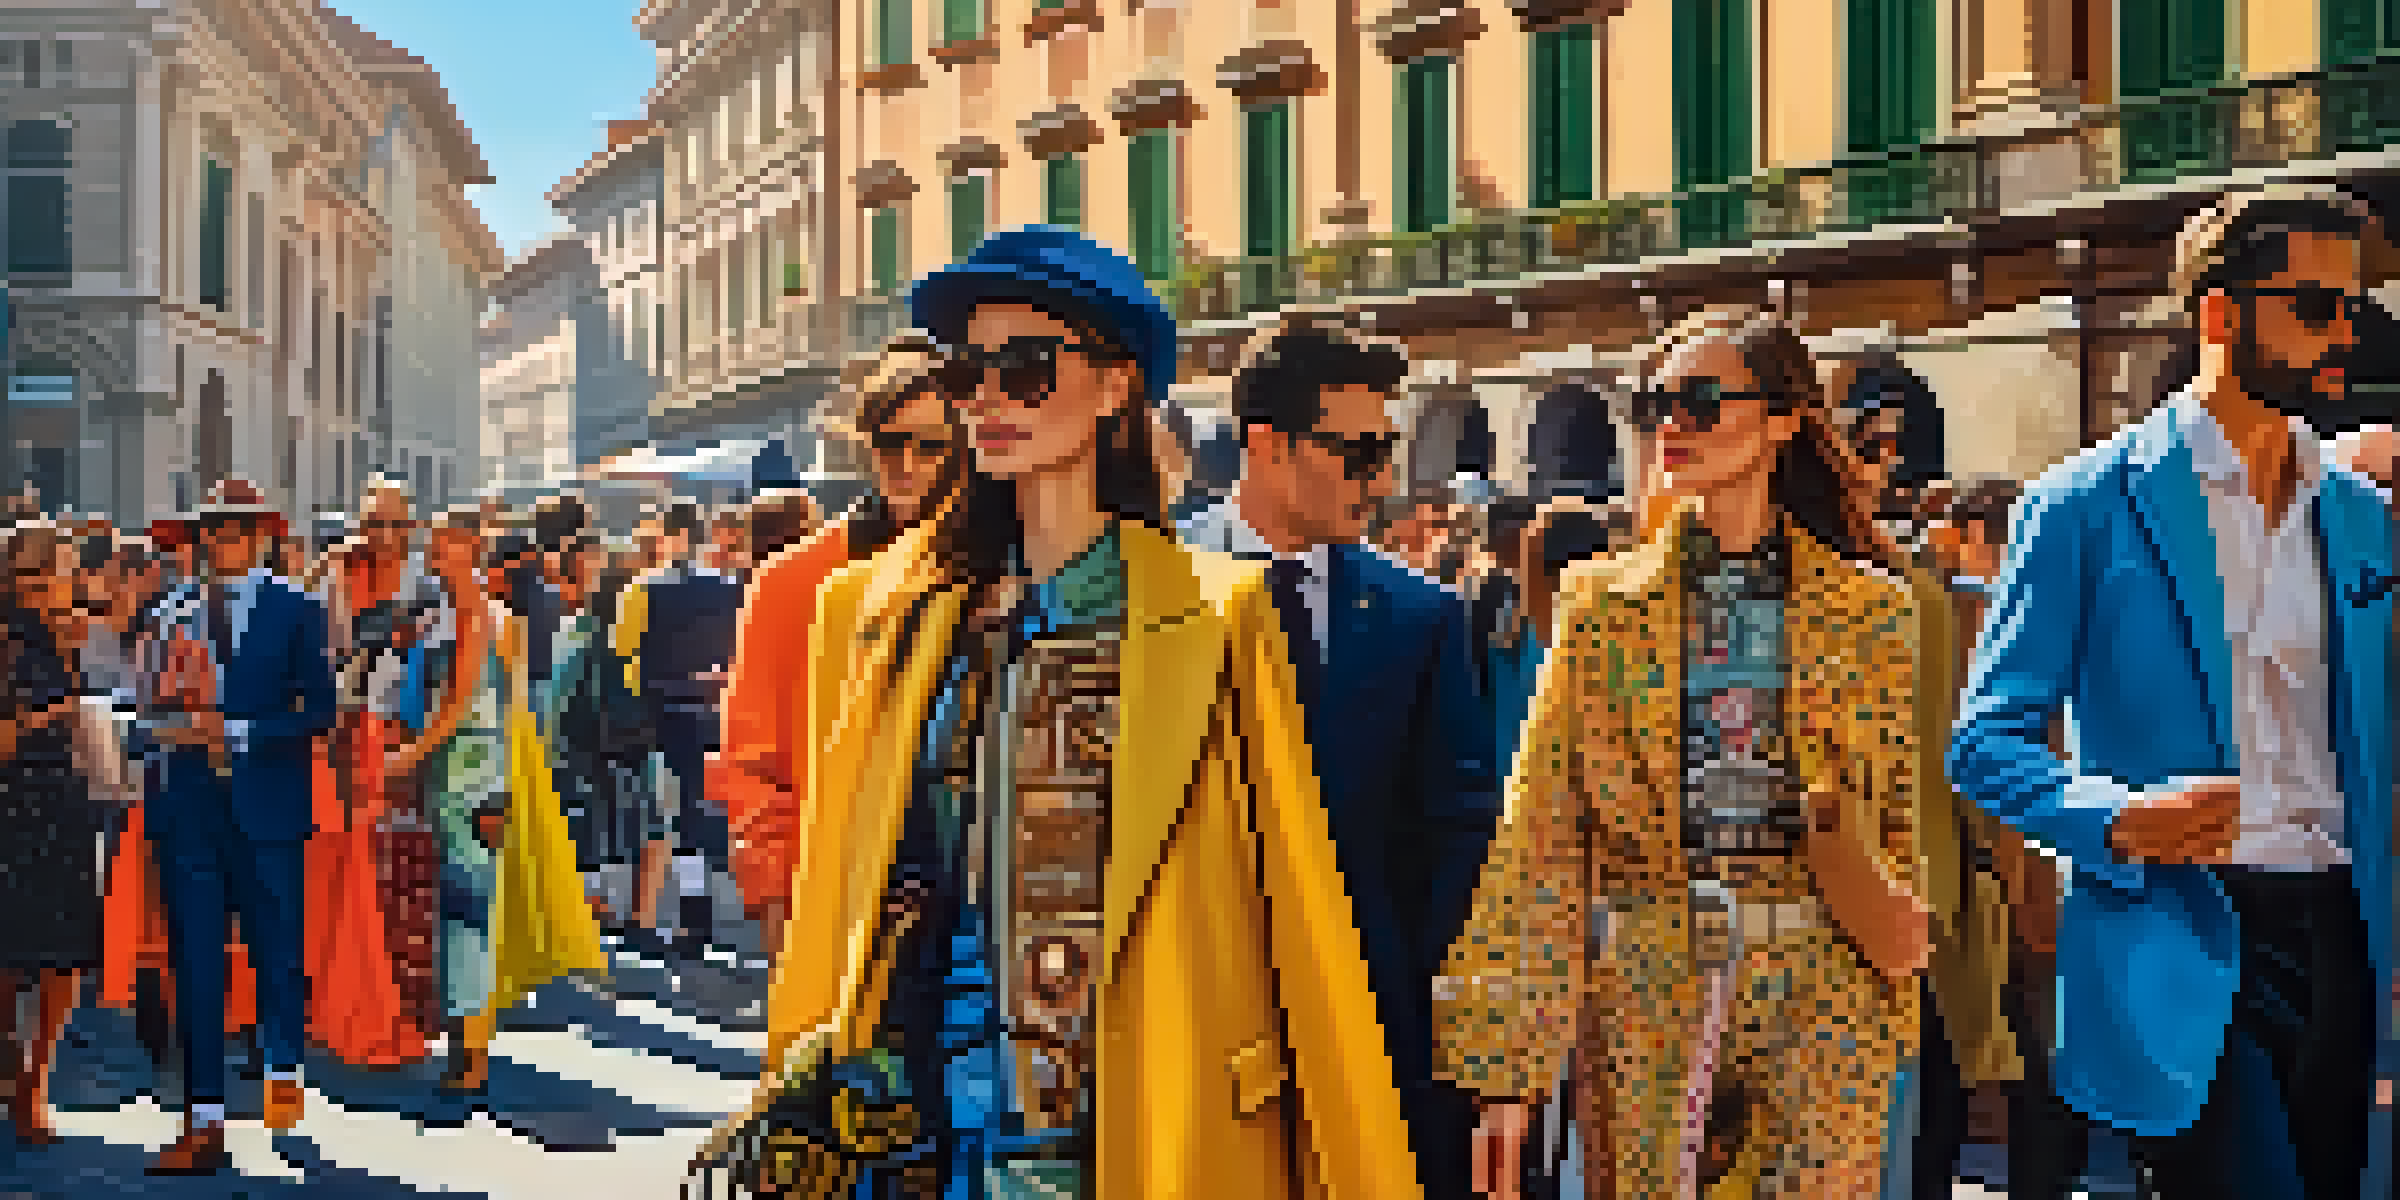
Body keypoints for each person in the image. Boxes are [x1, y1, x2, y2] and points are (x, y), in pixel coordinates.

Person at [752, 227, 1420, 1197]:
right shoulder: (877, 613)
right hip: (914, 1131)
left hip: (1131, 1127)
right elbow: (835, 893)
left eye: (1026, 369)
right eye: (967, 372)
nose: (988, 398)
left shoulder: (1220, 616)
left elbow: (1300, 918)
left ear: (1115, 387)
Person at [1951, 184, 2394, 1200]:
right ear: (2220, 315)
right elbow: (1985, 740)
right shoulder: (2081, 505)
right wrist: (2117, 819)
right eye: (2316, 307)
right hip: (2179, 932)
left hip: (2340, 933)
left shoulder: (2361, 517)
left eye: (2354, 308)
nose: (2345, 335)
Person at [1440, 303, 1933, 1199]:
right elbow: (1543, 835)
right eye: (1657, 404)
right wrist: (1506, 1068)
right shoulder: (1599, 606)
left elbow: (1898, 826)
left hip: (1824, 1001)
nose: (1673, 423)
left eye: (1701, 401)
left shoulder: (1874, 612)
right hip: (1649, 998)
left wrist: (1889, 991)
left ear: (1782, 420)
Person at [1180, 317, 1499, 1200]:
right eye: (1356, 453)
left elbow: (1458, 841)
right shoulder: (1155, 588)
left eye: (1384, 451)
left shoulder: (1422, 616)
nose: (1381, 480)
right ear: (1266, 444)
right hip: (1196, 1026)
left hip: (1372, 1039)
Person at [721, 332, 962, 964]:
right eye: (889, 442)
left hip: (974, 900)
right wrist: (776, 904)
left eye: (930, 445)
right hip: (840, 899)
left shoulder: (1003, 575)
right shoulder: (794, 582)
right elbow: (753, 764)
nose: (906, 462)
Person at [141, 479, 335, 1173]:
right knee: (195, 966)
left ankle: (283, 1067)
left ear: (259, 538)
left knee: (276, 955)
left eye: (234, 528)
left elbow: (320, 710)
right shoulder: (171, 610)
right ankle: (203, 1122)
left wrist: (239, 733)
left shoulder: (297, 608)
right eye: (211, 529)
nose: (220, 540)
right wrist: (161, 728)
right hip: (189, 807)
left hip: (268, 808)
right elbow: (150, 704)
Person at [311, 478, 440, 1060]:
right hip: (346, 738)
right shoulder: (336, 577)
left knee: (401, 874)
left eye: (393, 524)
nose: (383, 536)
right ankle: (342, 993)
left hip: (404, 740)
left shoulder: (427, 581)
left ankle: (397, 1003)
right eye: (372, 524)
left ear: (410, 526)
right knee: (347, 866)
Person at [392, 508, 508, 1091]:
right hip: (461, 768)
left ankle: (473, 1054)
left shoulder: (476, 613)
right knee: (461, 909)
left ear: (470, 546)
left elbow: (459, 702)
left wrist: (408, 756)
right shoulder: (453, 614)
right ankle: (466, 1046)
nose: (434, 552)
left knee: (468, 911)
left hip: (472, 769)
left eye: (445, 544)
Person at [0, 522, 105, 1146]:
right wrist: (59, 715)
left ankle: (34, 1082)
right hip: (13, 803)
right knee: (10, 956)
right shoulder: (8, 640)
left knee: (65, 956)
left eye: (61, 571)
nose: (57, 584)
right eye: (43, 575)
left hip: (66, 803)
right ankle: (18, 1076)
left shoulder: (67, 635)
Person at [615, 501, 744, 958]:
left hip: (662, 717)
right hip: (718, 712)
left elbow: (624, 655)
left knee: (674, 817)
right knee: (708, 813)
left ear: (664, 536)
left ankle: (689, 919)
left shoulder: (642, 589)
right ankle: (702, 917)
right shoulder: (731, 588)